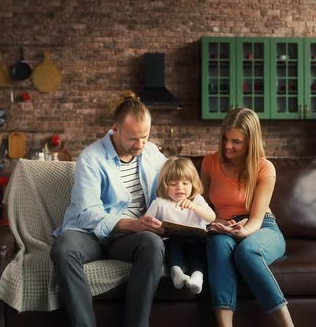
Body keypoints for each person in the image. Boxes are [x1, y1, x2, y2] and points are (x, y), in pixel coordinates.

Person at [51, 91, 167, 327]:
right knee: (63, 249)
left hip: (129, 237)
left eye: (145, 137)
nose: (140, 144)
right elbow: (87, 213)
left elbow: (171, 188)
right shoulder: (91, 158)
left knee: (153, 244)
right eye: (133, 138)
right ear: (115, 129)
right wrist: (133, 224)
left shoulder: (152, 153)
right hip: (88, 234)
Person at [201, 107, 295, 327]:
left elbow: (256, 219)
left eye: (236, 141)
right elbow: (200, 204)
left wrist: (243, 231)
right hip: (224, 226)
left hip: (261, 226)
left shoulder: (264, 168)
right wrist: (218, 223)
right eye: (225, 138)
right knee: (217, 246)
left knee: (247, 251)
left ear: (250, 142)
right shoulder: (210, 163)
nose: (227, 146)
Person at [145, 156, 216, 294]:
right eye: (173, 183)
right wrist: (156, 227)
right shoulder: (160, 202)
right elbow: (146, 223)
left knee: (197, 250)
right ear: (164, 185)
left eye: (185, 183)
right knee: (172, 247)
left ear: (193, 184)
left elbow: (211, 217)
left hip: (196, 240)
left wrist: (195, 207)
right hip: (172, 241)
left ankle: (197, 277)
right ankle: (176, 273)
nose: (180, 188)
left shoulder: (197, 199)